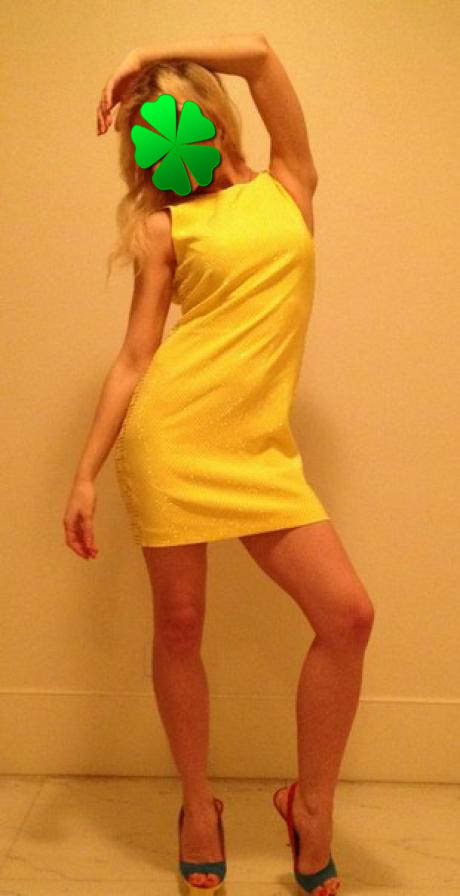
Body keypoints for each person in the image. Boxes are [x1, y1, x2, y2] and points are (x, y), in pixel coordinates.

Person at [64, 33, 375, 896]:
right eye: (147, 129)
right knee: (179, 626)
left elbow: (263, 57)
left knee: (348, 616)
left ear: (209, 112)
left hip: (261, 449)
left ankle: (311, 806)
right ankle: (198, 807)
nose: (162, 138)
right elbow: (135, 357)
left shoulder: (288, 183)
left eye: (173, 116)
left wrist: (140, 54)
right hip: (173, 438)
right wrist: (86, 474)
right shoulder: (165, 225)